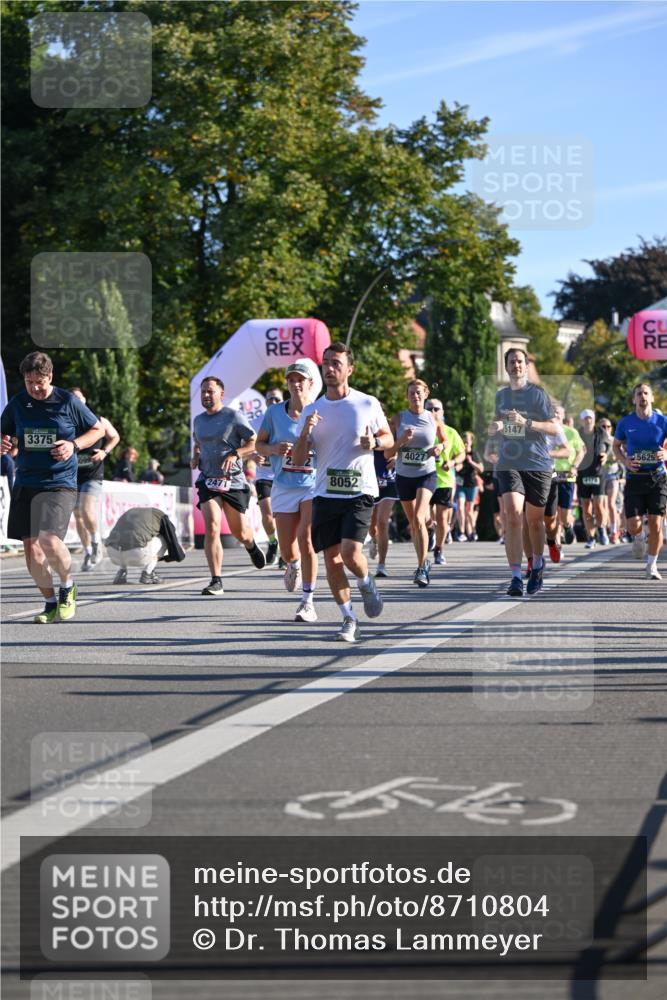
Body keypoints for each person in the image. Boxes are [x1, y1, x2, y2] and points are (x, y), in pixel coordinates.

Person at [292, 342, 393, 641]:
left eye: (336, 363)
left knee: (350, 553)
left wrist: (374, 443)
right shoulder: (312, 410)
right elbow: (298, 461)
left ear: (350, 369)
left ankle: (365, 580)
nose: (330, 368)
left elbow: (388, 438)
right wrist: (306, 432)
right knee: (332, 560)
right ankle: (349, 618)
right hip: (325, 492)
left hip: (359, 490)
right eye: (326, 363)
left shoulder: (367, 403)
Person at [1, 352, 103, 623]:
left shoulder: (67, 401)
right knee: (32, 548)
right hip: (26, 481)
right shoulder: (18, 403)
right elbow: (4, 432)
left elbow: (98, 430)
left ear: (50, 377)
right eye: (29, 381)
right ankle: (48, 602)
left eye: (40, 381)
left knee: (47, 539)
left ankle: (68, 587)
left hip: (59, 482)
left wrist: (74, 445)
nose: (35, 388)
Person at [489, 347, 560, 597]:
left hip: (537, 463)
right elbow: (501, 422)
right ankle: (516, 577)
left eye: (520, 361)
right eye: (512, 362)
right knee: (513, 516)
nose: (516, 365)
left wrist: (526, 423)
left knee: (534, 522)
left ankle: (538, 564)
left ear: (526, 365)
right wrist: (496, 426)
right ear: (506, 366)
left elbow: (554, 428)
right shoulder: (501, 396)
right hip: (510, 461)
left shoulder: (538, 394)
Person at [192, 375, 266, 596]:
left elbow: (253, 442)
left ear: (221, 394)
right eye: (203, 391)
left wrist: (236, 454)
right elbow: (199, 443)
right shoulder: (198, 420)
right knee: (212, 526)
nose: (206, 395)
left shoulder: (233, 416)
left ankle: (250, 544)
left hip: (232, 481)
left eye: (210, 391)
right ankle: (216, 580)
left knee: (240, 532)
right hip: (208, 480)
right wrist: (196, 456)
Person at [256, 362, 318, 622]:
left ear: (310, 384)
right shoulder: (274, 413)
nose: (296, 384)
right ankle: (291, 566)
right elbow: (258, 445)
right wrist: (272, 450)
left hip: (313, 485)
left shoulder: (320, 411)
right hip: (284, 484)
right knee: (288, 551)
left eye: (301, 379)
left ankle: (307, 601)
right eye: (291, 380)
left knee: (307, 539)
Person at [385, 379, 447, 587]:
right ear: (407, 395)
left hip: (426, 474)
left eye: (419, 393)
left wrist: (439, 448)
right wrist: (401, 441)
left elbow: (444, 440)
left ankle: (421, 567)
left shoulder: (433, 418)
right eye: (411, 393)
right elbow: (388, 452)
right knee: (414, 524)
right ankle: (424, 555)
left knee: (419, 518)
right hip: (404, 476)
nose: (415, 396)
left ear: (426, 394)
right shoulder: (398, 418)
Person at [613, 382, 667, 580]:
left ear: (652, 398)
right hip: (635, 478)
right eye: (639, 394)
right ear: (634, 399)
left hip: (657, 477)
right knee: (633, 525)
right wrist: (624, 460)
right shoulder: (625, 423)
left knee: (656, 523)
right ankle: (638, 536)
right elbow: (616, 446)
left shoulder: (663, 421)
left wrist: (666, 452)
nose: (642, 397)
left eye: (646, 393)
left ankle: (651, 565)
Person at [69, 388, 120, 571]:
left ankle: (97, 542)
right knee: (77, 515)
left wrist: (104, 452)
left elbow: (115, 437)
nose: (76, 399)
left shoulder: (98, 419)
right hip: (73, 475)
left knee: (86, 508)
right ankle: (88, 550)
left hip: (93, 474)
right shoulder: (66, 421)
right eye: (72, 397)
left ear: (84, 398)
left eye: (79, 396)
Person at [426, 400, 465, 566]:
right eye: (430, 408)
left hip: (444, 480)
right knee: (423, 517)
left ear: (442, 412)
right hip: (423, 478)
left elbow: (461, 453)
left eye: (436, 409)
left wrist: (453, 463)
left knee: (442, 518)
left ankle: (439, 549)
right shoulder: (420, 430)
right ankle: (430, 530)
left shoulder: (450, 432)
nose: (433, 411)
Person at [106, 506, 185, 584]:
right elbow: (171, 537)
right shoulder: (160, 516)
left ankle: (121, 573)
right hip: (137, 555)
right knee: (163, 539)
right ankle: (147, 573)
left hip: (113, 554)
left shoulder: (129, 512)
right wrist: (180, 553)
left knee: (124, 540)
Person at [255, 387, 283, 565]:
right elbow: (249, 445)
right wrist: (253, 455)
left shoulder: (286, 419)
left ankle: (285, 553)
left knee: (283, 516)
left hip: (283, 474)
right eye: (270, 399)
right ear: (265, 402)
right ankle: (273, 542)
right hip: (263, 475)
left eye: (277, 400)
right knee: (267, 513)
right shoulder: (257, 421)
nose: (273, 403)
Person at [577, 409, 611, 549]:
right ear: (582, 420)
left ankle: (602, 529)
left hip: (598, 472)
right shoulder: (577, 433)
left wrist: (606, 455)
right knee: (586, 507)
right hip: (583, 472)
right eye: (585, 418)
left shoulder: (600, 432)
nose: (588, 421)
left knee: (598, 504)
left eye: (590, 418)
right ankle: (591, 537)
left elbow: (609, 446)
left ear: (593, 419)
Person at [553, 404, 585, 545]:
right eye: (553, 412)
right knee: (551, 512)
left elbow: (581, 451)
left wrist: (574, 466)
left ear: (563, 415)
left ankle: (567, 526)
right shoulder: (544, 432)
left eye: (558, 412)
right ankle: (555, 541)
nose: (555, 414)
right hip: (550, 475)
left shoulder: (571, 432)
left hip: (567, 475)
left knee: (564, 514)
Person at [368, 449, 398, 577]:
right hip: (370, 480)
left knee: (382, 522)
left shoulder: (393, 429)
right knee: (372, 527)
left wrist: (398, 456)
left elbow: (404, 443)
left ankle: (381, 565)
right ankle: (375, 541)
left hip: (390, 481)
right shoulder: (365, 429)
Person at [455, 431, 484, 541]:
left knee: (469, 511)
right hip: (460, 484)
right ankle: (462, 532)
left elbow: (481, 469)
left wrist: (471, 462)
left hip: (472, 485)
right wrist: (457, 465)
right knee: (460, 507)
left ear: (471, 442)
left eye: (468, 441)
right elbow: (456, 466)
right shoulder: (458, 453)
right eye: (464, 441)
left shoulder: (475, 454)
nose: (466, 443)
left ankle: (473, 531)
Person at [600, 418, 621, 543]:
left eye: (608, 426)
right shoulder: (596, 441)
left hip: (612, 475)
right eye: (603, 427)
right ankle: (603, 531)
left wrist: (608, 456)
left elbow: (619, 457)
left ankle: (614, 531)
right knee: (601, 506)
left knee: (611, 504)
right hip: (600, 477)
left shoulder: (614, 440)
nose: (606, 429)